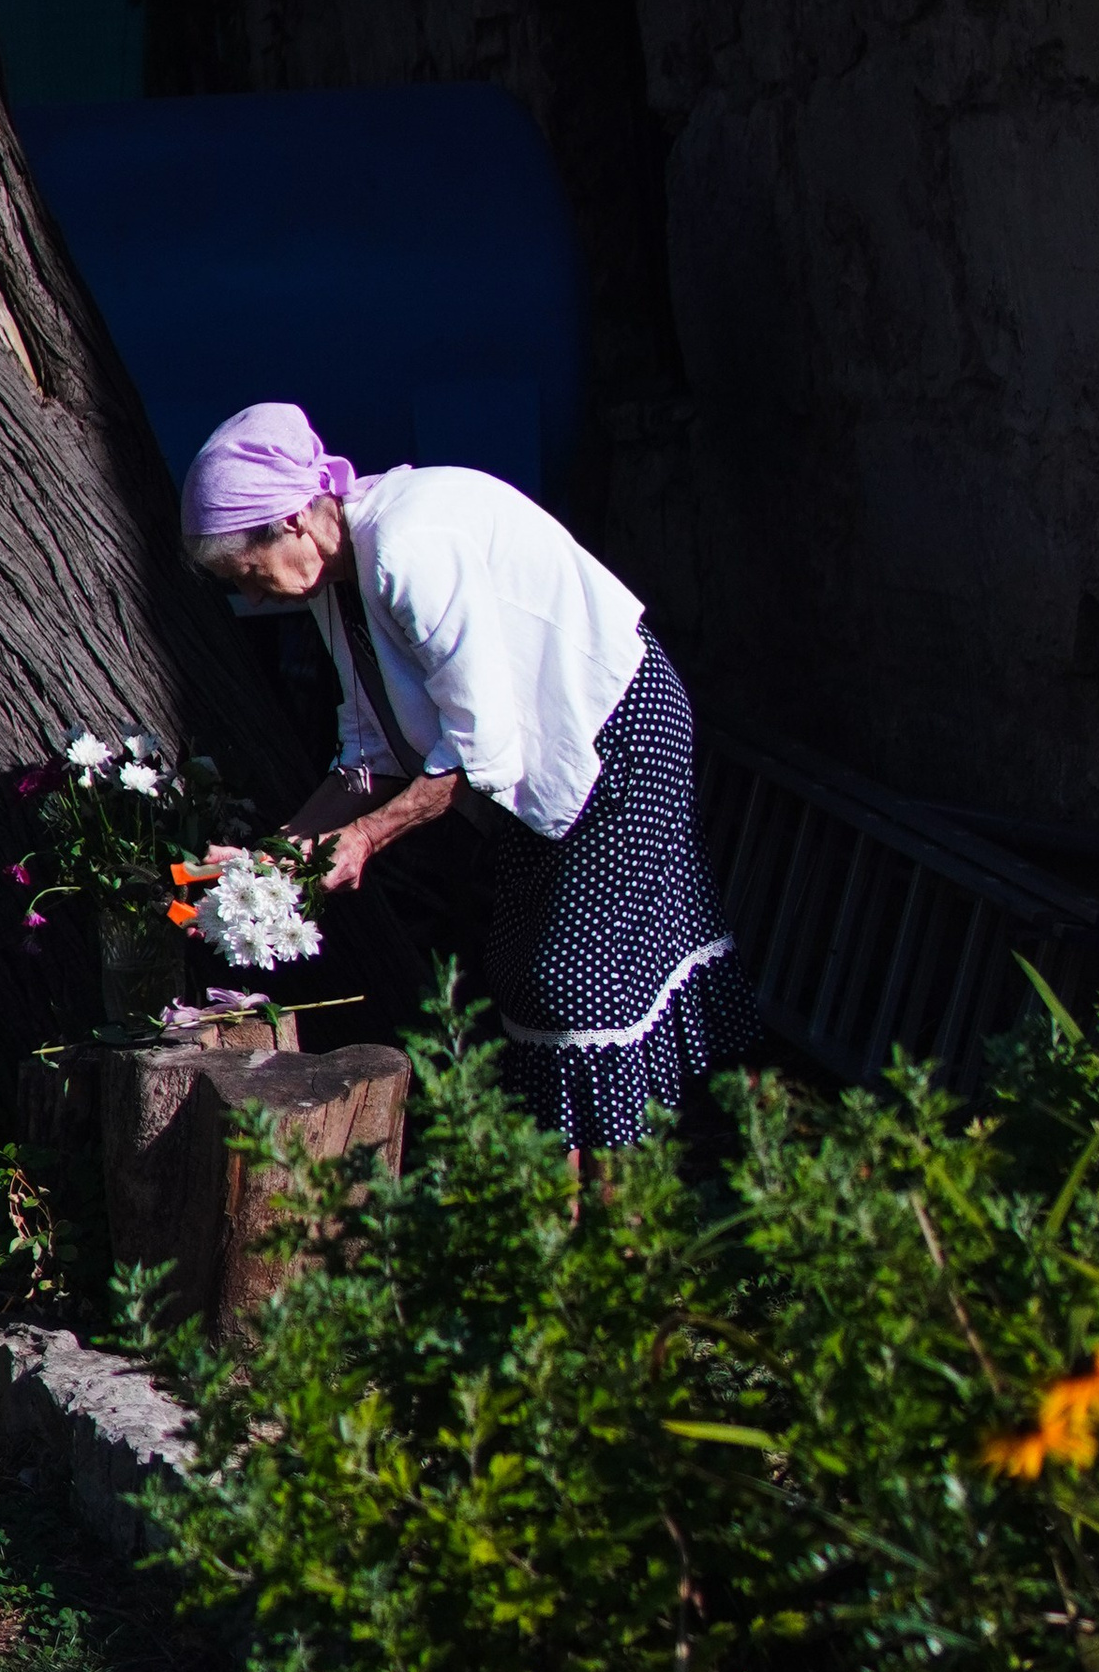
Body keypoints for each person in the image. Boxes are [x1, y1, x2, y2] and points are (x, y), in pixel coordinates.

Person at [181, 401, 757, 1149]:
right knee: (518, 970)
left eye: (249, 575)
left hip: (612, 731)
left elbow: (482, 753)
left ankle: (621, 1221)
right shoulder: (336, 586)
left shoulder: (406, 545)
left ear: (291, 520)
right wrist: (280, 853)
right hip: (535, 765)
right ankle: (570, 1204)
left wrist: (361, 841)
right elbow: (369, 755)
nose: (252, 597)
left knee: (573, 981)